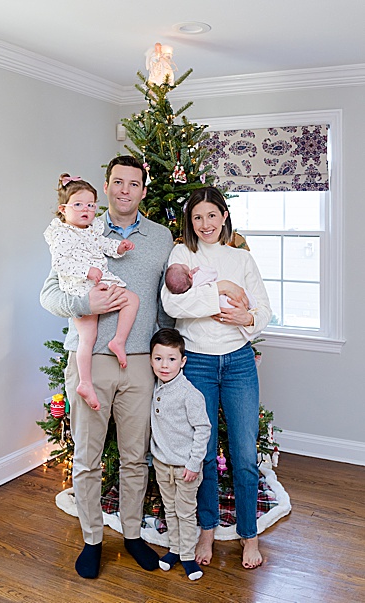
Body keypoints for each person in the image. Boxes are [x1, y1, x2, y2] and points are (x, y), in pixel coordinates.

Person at [39, 155, 174, 578]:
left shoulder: (161, 237)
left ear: (143, 190)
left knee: (136, 457)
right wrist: (85, 303)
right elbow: (50, 294)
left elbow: (166, 302)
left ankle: (132, 534)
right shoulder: (79, 229)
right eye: (117, 182)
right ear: (107, 186)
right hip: (90, 359)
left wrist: (169, 353)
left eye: (134, 184)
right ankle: (92, 538)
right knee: (87, 457)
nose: (124, 190)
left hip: (139, 362)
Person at [160, 186, 272, 569]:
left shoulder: (241, 258)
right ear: (190, 222)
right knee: (203, 454)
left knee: (243, 453)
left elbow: (264, 311)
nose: (205, 224)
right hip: (200, 364)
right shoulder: (182, 255)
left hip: (239, 362)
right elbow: (173, 304)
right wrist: (221, 290)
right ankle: (205, 529)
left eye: (211, 215)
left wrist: (248, 318)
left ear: (224, 216)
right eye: (197, 217)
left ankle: (248, 535)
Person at [43, 173, 140, 410]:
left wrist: (119, 247)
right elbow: (61, 264)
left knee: (132, 299)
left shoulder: (92, 229)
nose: (85, 209)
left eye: (90, 205)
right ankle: (85, 382)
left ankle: (118, 341)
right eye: (78, 205)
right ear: (63, 209)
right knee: (87, 337)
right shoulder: (62, 234)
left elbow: (104, 246)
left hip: (100, 282)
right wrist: (86, 270)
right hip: (79, 289)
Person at [148, 328, 211, 581]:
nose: (164, 365)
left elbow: (203, 429)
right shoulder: (153, 387)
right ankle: (174, 549)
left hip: (186, 467)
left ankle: (187, 555)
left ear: (182, 361)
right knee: (170, 509)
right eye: (158, 358)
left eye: (172, 359)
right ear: (151, 360)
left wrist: (194, 463)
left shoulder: (189, 394)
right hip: (162, 463)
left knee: (185, 512)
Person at [165, 263, 257, 340]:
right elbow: (212, 272)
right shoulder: (198, 275)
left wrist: (250, 320)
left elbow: (264, 308)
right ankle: (252, 307)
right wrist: (199, 269)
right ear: (190, 275)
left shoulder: (190, 290)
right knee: (242, 297)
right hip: (224, 301)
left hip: (236, 345)